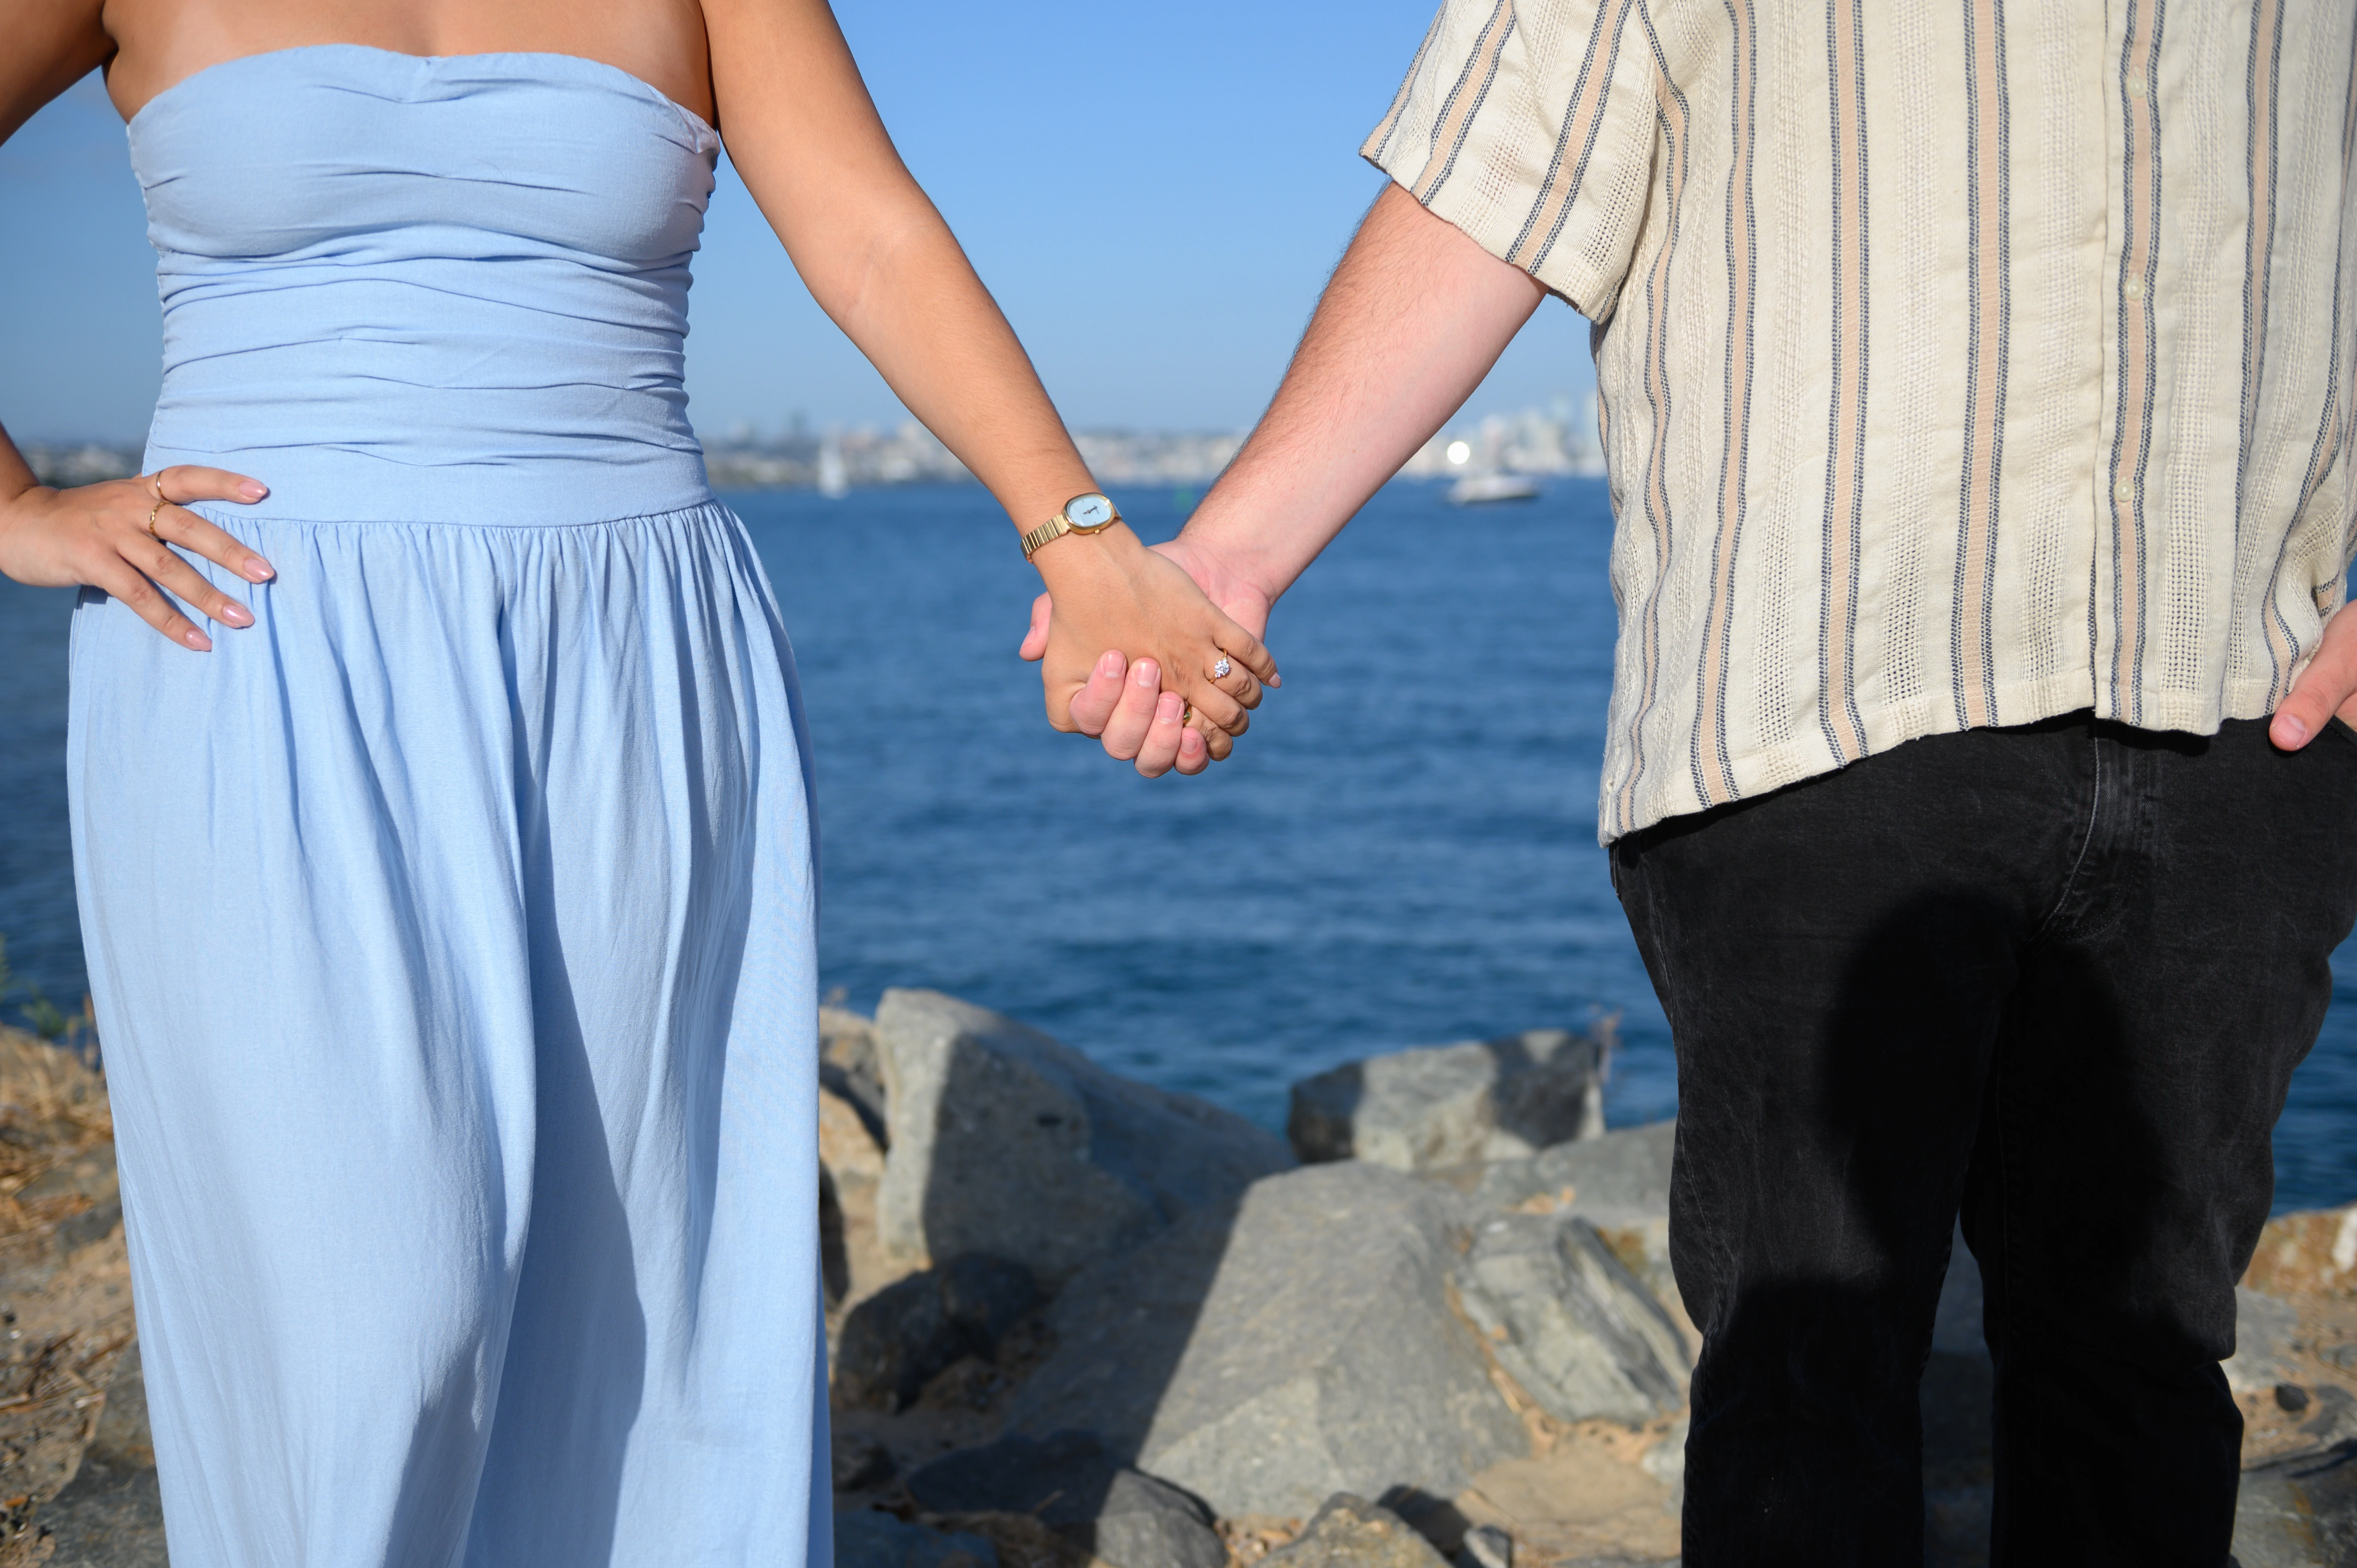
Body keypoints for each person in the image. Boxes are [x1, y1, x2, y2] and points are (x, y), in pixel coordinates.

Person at [1034, 1, 2357, 1560]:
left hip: (2231, 685)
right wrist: (1230, 561)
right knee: (1810, 1374)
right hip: (1826, 694)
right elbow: (1508, 159)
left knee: (2140, 1371)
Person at [0, 2, 1270, 1561]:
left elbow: (866, 234)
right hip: (259, 644)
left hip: (629, 650)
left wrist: (1077, 538)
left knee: (660, 1293)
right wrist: (17, 508)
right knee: (376, 1318)